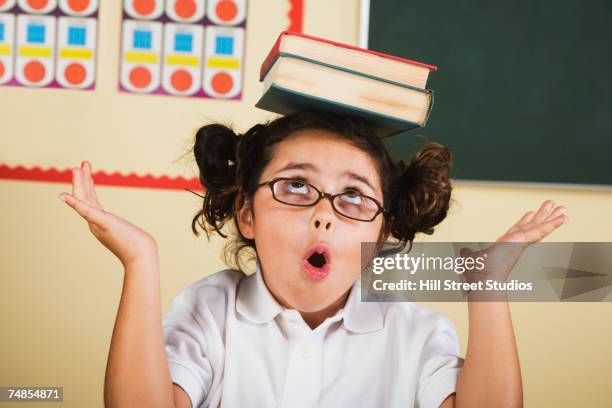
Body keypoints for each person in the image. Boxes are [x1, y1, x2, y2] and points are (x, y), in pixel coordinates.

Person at [58, 110, 568, 407]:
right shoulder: (208, 312)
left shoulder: (415, 333)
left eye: (353, 196)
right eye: (297, 185)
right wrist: (140, 262)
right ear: (247, 214)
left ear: (382, 231)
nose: (324, 215)